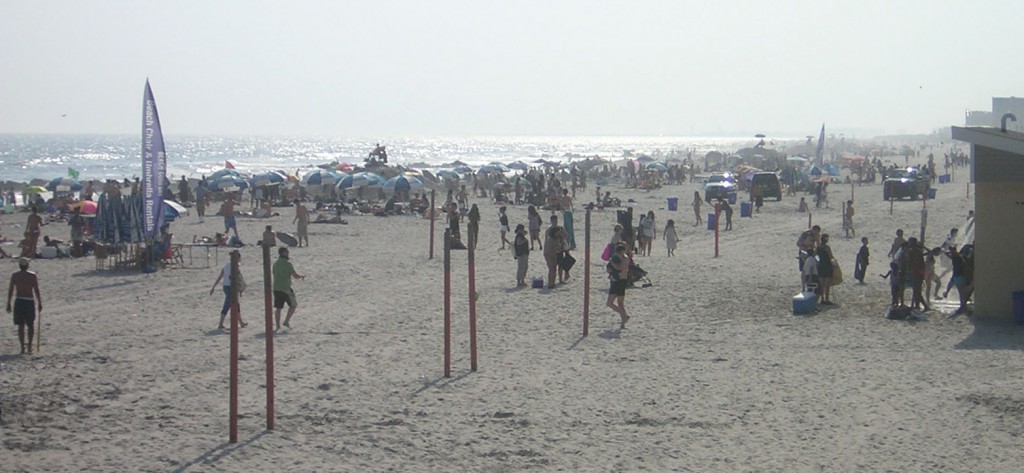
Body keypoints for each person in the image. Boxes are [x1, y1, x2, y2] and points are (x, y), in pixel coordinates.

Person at [7, 258, 42, 354]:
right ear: (27, 266)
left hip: (19, 301)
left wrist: (8, 303)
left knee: (21, 325)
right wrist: (39, 302)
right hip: (29, 301)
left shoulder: (15, 276)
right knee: (30, 325)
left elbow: (11, 290)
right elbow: (36, 290)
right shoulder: (32, 276)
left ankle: (22, 347)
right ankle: (29, 346)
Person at [209, 257, 247, 330]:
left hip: (225, 286)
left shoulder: (226, 266)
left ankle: (241, 322)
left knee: (236, 304)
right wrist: (241, 290)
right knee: (228, 304)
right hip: (231, 287)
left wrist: (213, 287)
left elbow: (220, 276)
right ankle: (220, 324)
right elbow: (239, 279)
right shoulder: (235, 267)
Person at [273, 246, 306, 330]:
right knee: (293, 305)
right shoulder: (288, 264)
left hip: (276, 287)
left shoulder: (275, 264)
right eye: (287, 252)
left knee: (278, 308)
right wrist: (301, 276)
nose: (288, 254)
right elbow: (295, 276)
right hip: (286, 288)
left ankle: (277, 326)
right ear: (284, 253)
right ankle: (286, 321)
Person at [606, 243, 631, 329]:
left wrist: (613, 264)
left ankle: (623, 321)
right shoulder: (615, 257)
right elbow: (610, 268)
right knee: (609, 303)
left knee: (620, 303)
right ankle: (624, 315)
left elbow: (620, 268)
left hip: (621, 281)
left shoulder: (626, 258)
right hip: (615, 281)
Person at [542, 214, 567, 289]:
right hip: (551, 251)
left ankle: (558, 280)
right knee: (552, 268)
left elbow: (565, 236)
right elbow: (547, 242)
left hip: (558, 250)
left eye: (555, 220)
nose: (555, 222)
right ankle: (551, 283)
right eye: (553, 220)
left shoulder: (560, 228)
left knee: (559, 266)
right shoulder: (549, 231)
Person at [817, 234, 835, 305]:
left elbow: (815, 255)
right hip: (827, 266)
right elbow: (831, 257)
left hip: (821, 266)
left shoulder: (818, 247)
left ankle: (822, 299)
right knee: (827, 285)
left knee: (821, 284)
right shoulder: (827, 247)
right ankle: (826, 299)